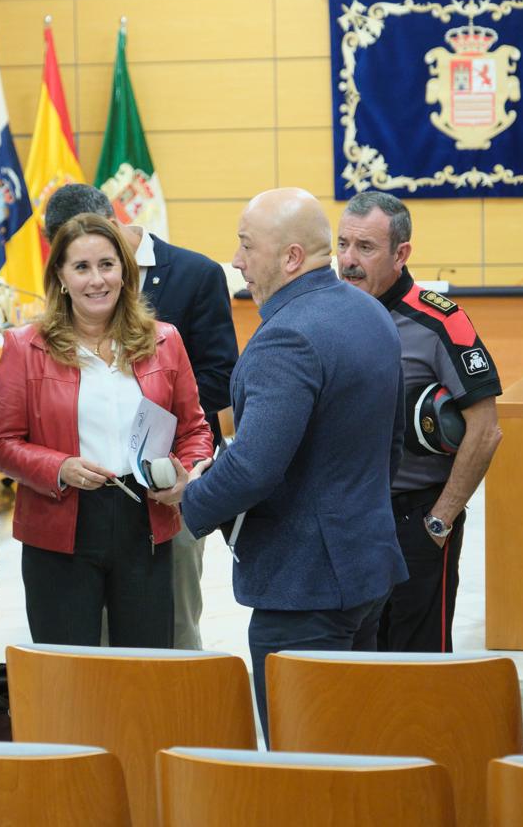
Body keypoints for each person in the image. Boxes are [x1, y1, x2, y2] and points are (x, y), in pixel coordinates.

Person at [176, 188, 407, 738]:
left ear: (292, 258)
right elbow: (390, 444)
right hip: (367, 567)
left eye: (245, 246)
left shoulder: (287, 337)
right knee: (355, 746)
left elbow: (256, 466)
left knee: (305, 757)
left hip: (305, 587)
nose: (235, 261)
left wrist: (190, 499)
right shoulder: (369, 312)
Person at [0, 213, 212, 649]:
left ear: (125, 272)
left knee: (144, 666)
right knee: (69, 671)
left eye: (107, 265)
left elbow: (195, 429)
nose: (97, 280)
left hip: (144, 518)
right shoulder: (25, 347)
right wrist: (59, 467)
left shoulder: (165, 340)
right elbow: (1, 445)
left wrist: (183, 474)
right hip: (60, 522)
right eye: (82, 267)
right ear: (61, 277)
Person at [43, 184, 237, 650]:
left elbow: (221, 375)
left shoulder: (194, 274)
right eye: (74, 261)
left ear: (109, 225)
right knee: (100, 636)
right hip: (91, 494)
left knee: (172, 628)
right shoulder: (69, 288)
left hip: (170, 479)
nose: (94, 277)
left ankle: (175, 722)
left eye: (100, 258)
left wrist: (139, 415)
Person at [337, 192, 503, 652]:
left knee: (416, 664)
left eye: (365, 248)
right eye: (342, 244)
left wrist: (440, 520)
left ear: (401, 253)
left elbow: (486, 430)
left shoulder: (440, 321)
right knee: (349, 659)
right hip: (346, 517)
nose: (348, 261)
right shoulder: (328, 314)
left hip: (415, 518)